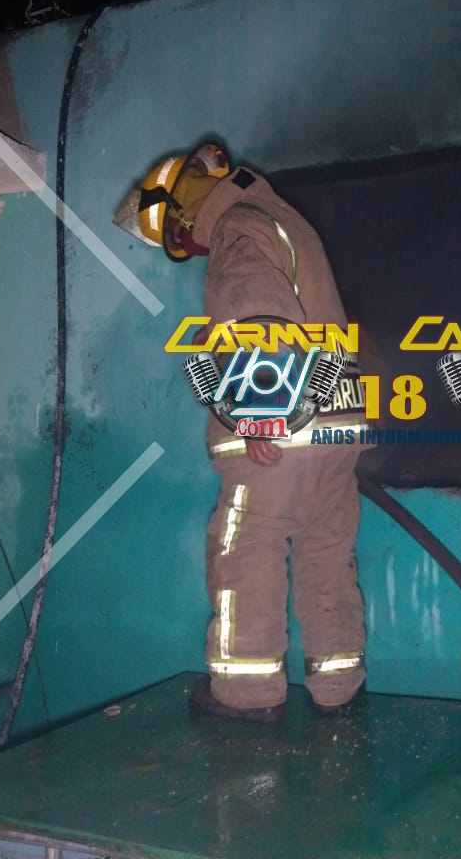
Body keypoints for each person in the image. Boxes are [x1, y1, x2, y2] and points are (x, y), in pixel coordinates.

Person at [114, 142, 376, 720]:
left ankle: (247, 695)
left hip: (281, 431)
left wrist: (260, 410)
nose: (191, 244)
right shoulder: (285, 222)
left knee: (246, 548)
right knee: (326, 550)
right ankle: (339, 686)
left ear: (183, 209)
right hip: (336, 426)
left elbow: (255, 312)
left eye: (180, 234)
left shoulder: (239, 228)